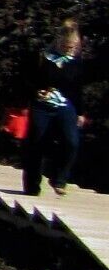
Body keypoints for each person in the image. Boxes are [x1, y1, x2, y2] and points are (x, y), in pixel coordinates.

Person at [23, 18, 89, 197]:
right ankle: (32, 185)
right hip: (42, 105)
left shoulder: (75, 63)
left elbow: (77, 89)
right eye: (67, 46)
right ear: (58, 41)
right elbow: (26, 80)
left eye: (73, 47)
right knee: (37, 141)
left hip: (64, 105)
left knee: (72, 142)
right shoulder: (42, 58)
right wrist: (36, 92)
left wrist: (80, 113)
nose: (70, 50)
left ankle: (59, 179)